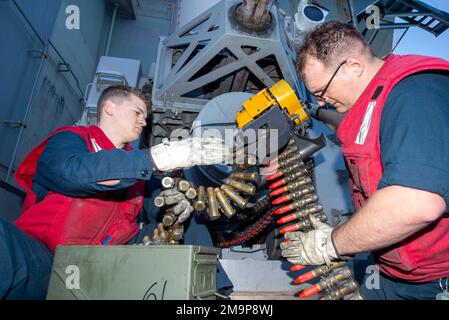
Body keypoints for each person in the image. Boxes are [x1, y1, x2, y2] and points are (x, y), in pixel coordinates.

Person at [0, 85, 231, 299]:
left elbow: (157, 208)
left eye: (145, 117)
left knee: (189, 220)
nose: (143, 121)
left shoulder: (141, 173)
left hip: (106, 265)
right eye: (137, 112)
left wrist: (176, 204)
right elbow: (75, 173)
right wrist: (158, 157)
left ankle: (214, 293)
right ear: (109, 107)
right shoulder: (71, 139)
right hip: (44, 259)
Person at [280, 21, 449, 300]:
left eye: (322, 91)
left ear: (354, 67)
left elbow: (415, 204)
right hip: (392, 274)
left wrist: (331, 244)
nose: (321, 102)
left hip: (435, 282)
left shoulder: (415, 94)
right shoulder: (373, 101)